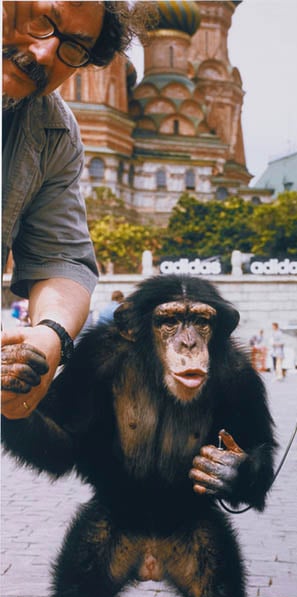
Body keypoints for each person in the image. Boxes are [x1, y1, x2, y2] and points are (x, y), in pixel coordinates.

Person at [2, 2, 153, 420]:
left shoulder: (53, 130)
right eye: (40, 20)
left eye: (73, 47)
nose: (45, 51)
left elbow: (62, 257)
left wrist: (47, 340)